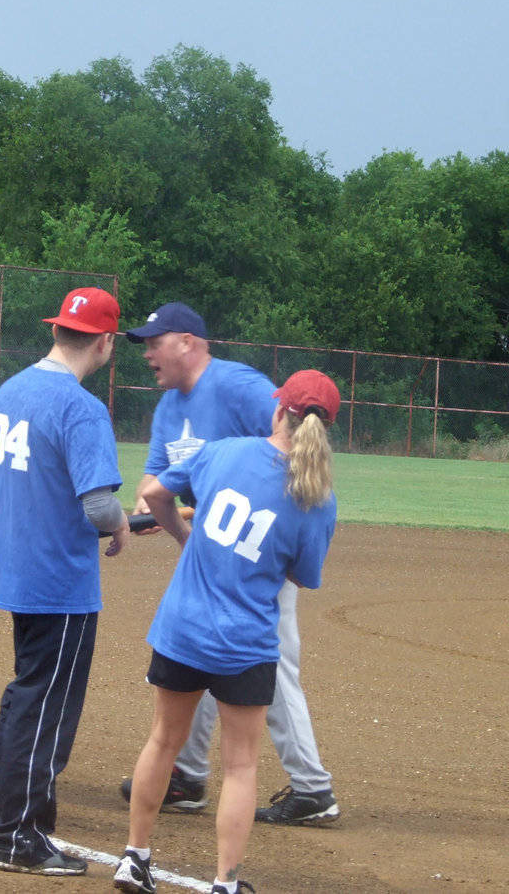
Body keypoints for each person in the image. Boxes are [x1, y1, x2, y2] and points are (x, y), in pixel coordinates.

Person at [113, 369, 341, 894]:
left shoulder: (226, 452)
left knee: (163, 741)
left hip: (184, 626)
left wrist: (186, 537)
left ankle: (135, 858)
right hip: (246, 641)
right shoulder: (318, 498)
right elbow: (303, 576)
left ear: (278, 409)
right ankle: (225, 883)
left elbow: (152, 494)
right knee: (239, 766)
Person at [0, 288, 130, 877]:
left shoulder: (11, 390)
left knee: (27, 691)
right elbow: (98, 506)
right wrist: (122, 527)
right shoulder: (82, 408)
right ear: (106, 341)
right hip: (61, 580)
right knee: (47, 707)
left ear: (58, 329)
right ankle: (20, 837)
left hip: (19, 568)